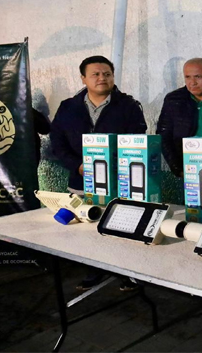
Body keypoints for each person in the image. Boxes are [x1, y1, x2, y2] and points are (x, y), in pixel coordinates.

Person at [50, 55, 147, 291]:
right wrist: (78, 166)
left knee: (121, 227)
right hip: (80, 181)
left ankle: (126, 272)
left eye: (107, 74)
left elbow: (138, 141)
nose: (102, 78)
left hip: (119, 183)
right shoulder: (68, 107)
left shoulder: (129, 106)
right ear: (83, 78)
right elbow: (57, 144)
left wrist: (117, 168)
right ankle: (94, 270)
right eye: (95, 74)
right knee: (87, 229)